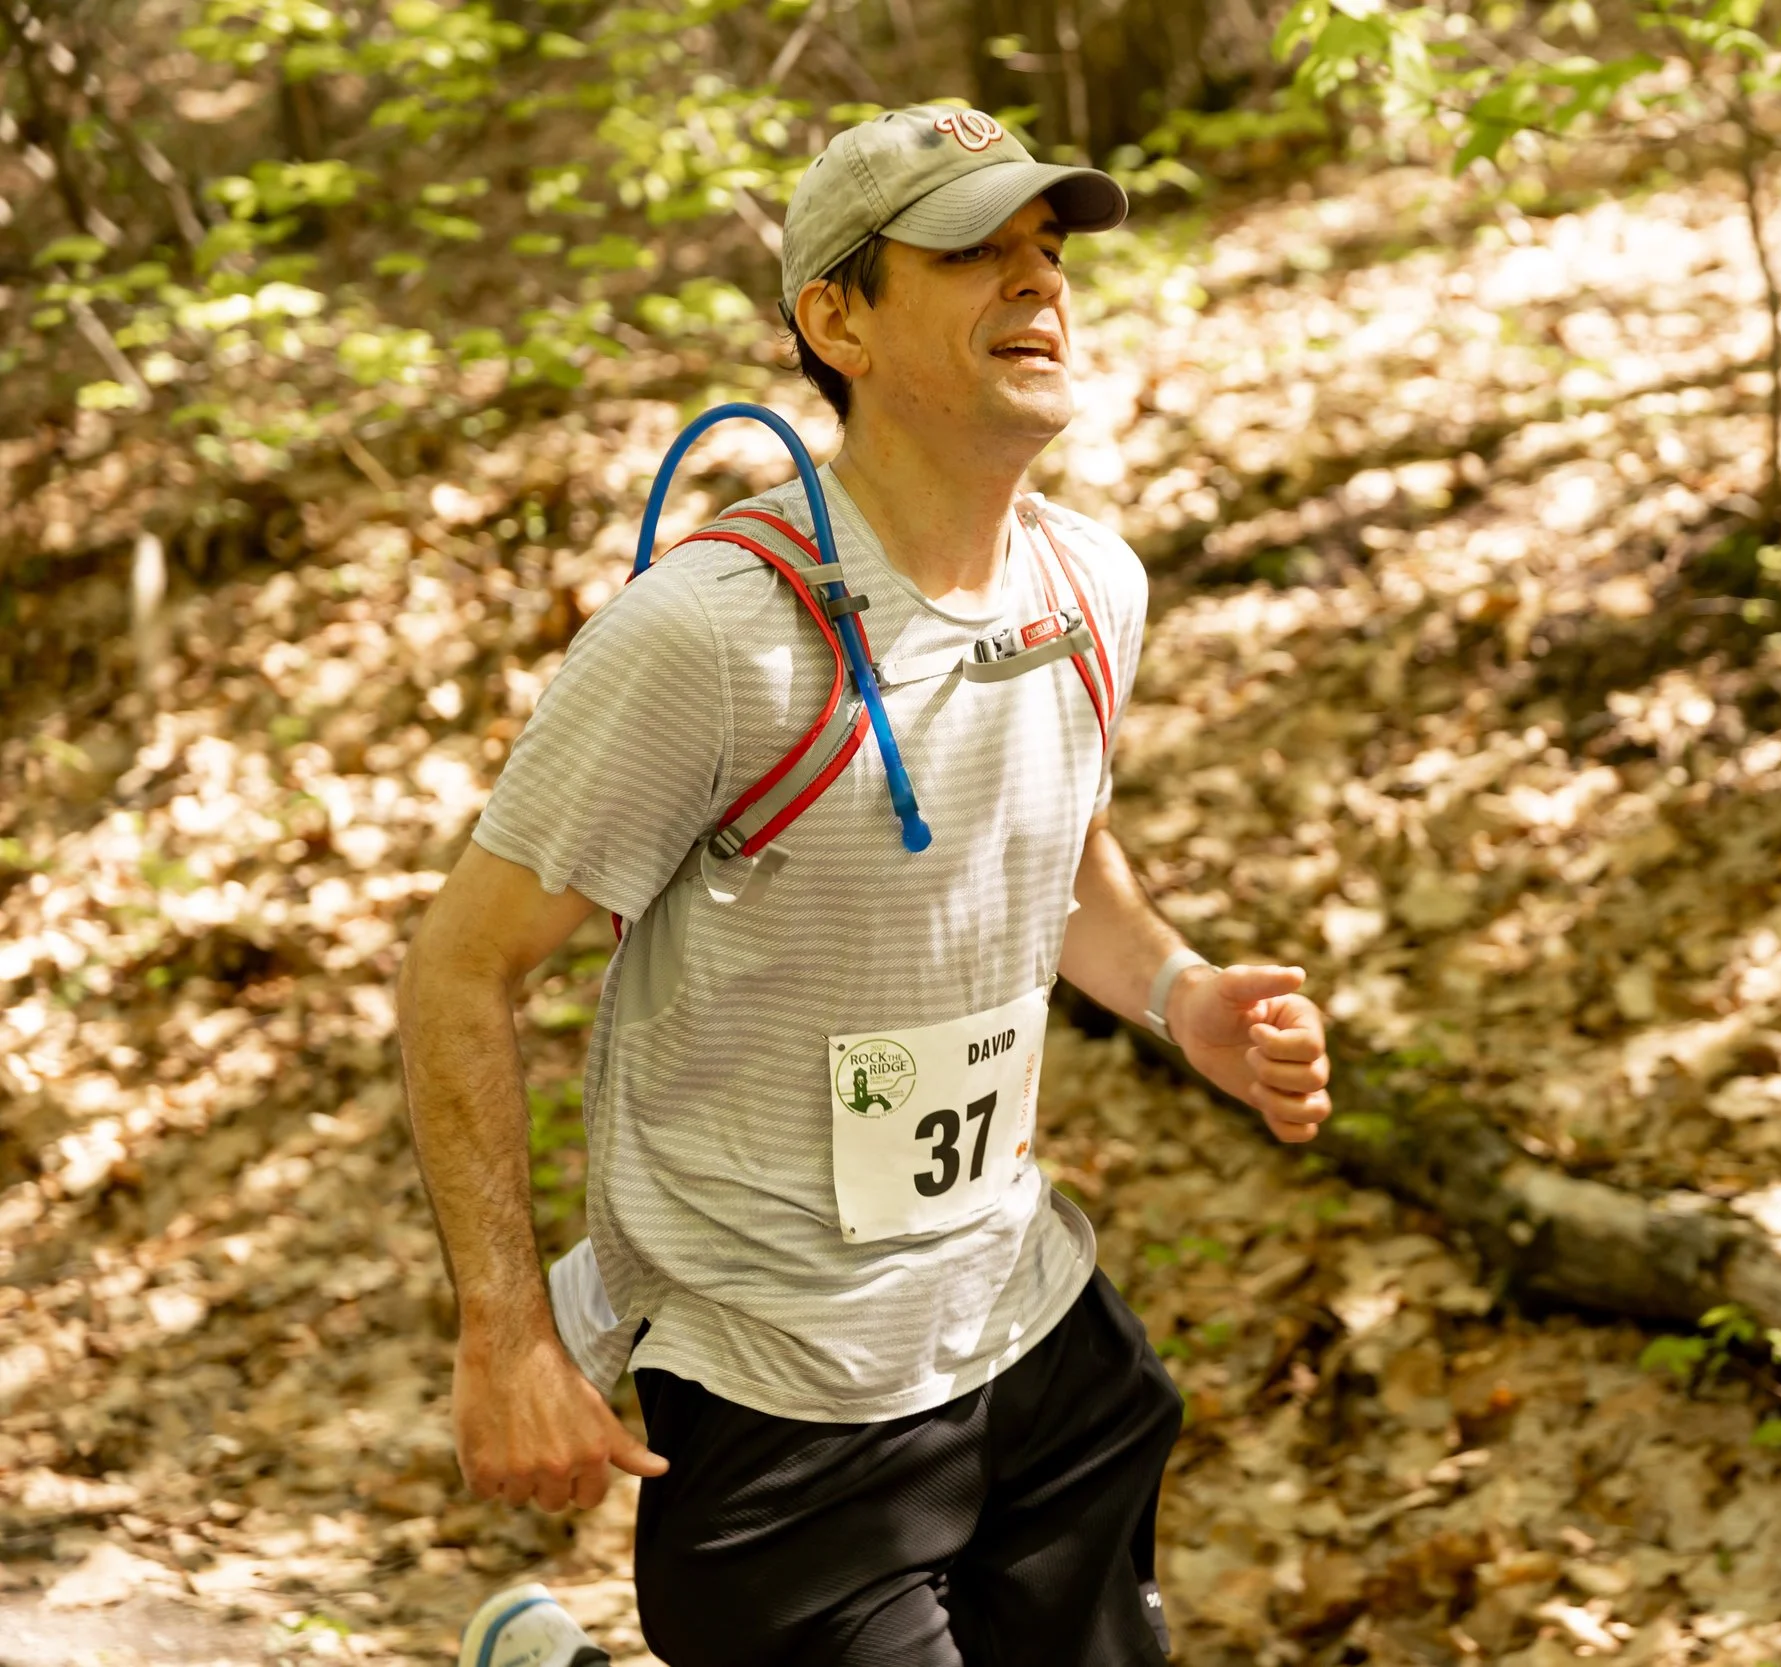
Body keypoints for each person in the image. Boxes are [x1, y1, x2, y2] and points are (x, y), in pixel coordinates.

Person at [398, 104, 1335, 1667]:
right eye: (972, 252)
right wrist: (506, 1333)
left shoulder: (1093, 586)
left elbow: (1053, 855)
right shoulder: (711, 634)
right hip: (786, 1393)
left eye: (1048, 249)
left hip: (1030, 1331)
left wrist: (1180, 993)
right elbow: (459, 968)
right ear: (835, 318)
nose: (1038, 284)